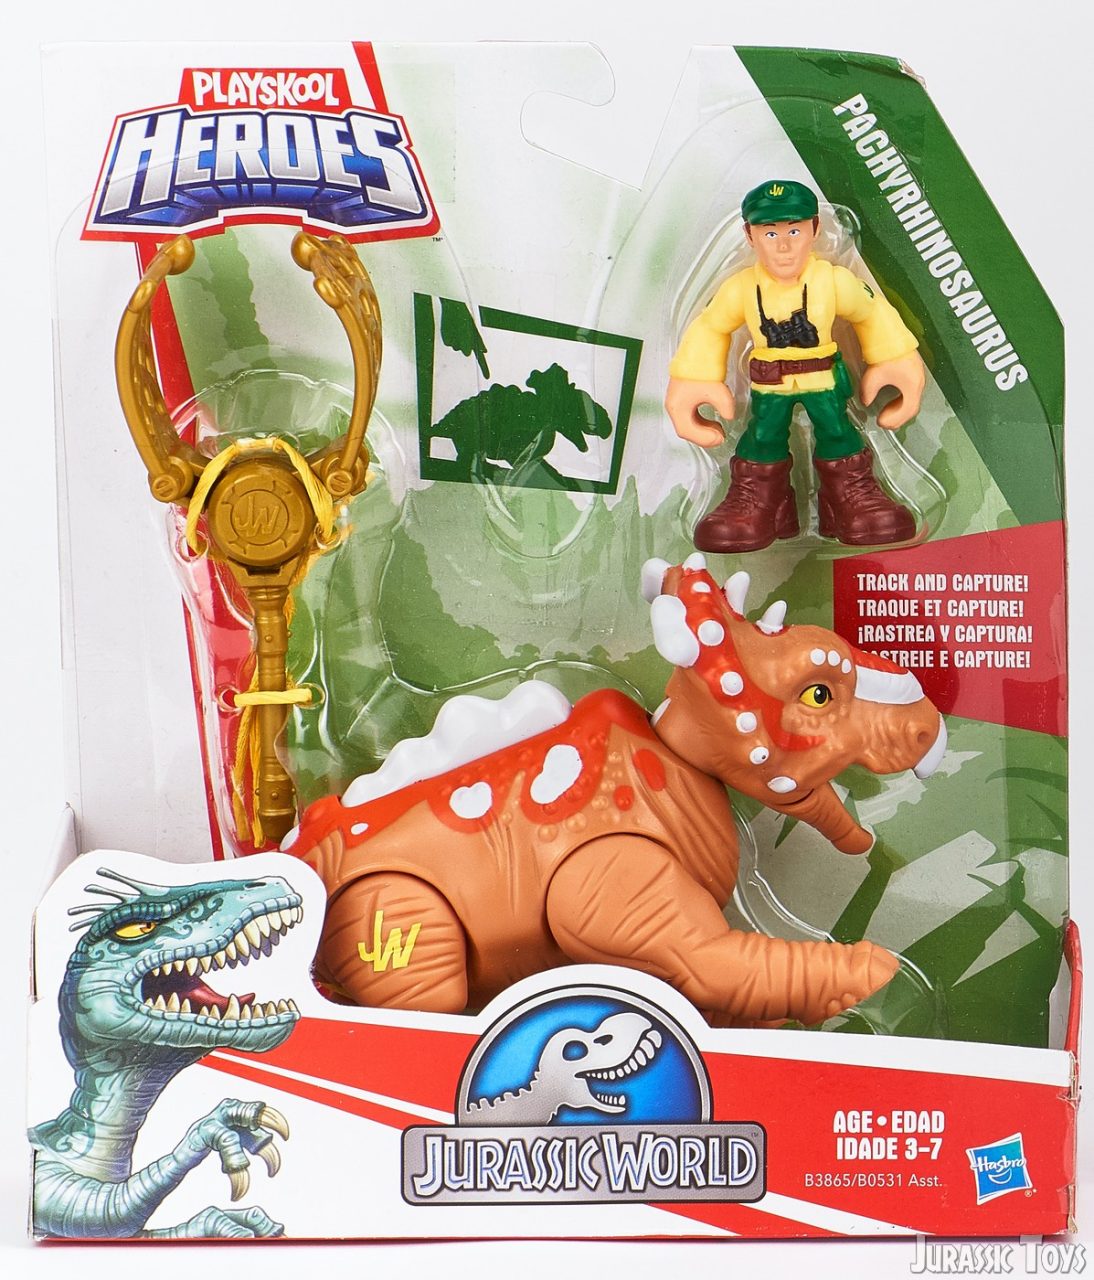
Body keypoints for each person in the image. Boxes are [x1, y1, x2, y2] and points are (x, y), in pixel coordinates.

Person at [665, 179, 925, 552]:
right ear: (750, 235)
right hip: (769, 385)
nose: (783, 246)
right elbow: (711, 325)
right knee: (762, 437)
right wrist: (694, 379)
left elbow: (872, 311)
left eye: (794, 231)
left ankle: (850, 496)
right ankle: (759, 501)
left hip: (823, 380)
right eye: (770, 233)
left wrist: (895, 358)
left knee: (838, 432)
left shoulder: (831, 281)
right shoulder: (742, 288)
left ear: (815, 230)